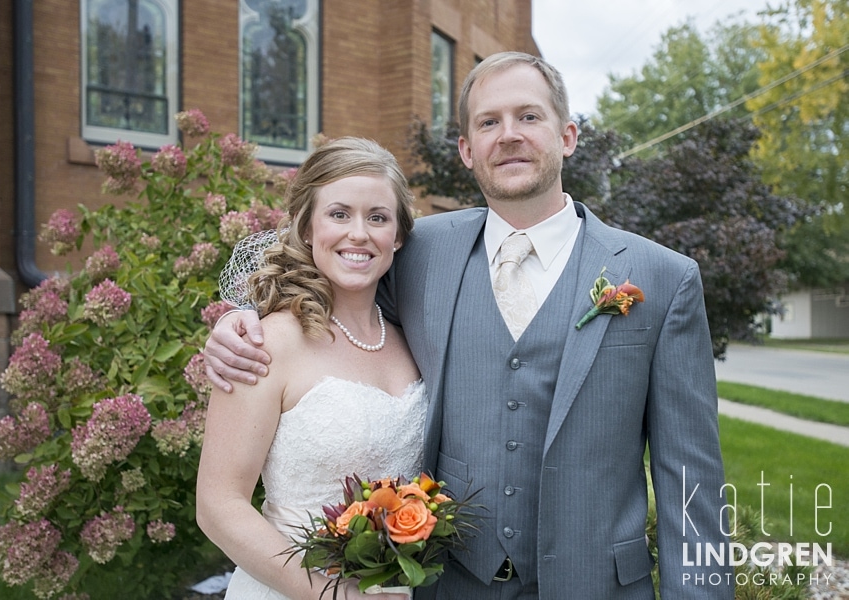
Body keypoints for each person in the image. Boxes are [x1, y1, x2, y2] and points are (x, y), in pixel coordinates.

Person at [204, 52, 733, 599]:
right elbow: (332, 273)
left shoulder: (663, 278)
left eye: (529, 117)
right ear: (466, 150)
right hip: (447, 585)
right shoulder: (421, 251)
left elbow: (692, 481)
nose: (508, 136)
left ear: (569, 136)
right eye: (488, 122)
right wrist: (239, 320)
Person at [196, 137, 424, 600]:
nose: (358, 233)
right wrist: (330, 595)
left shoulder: (416, 335)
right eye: (339, 214)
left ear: (397, 235)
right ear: (307, 227)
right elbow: (218, 506)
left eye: (377, 217)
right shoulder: (264, 343)